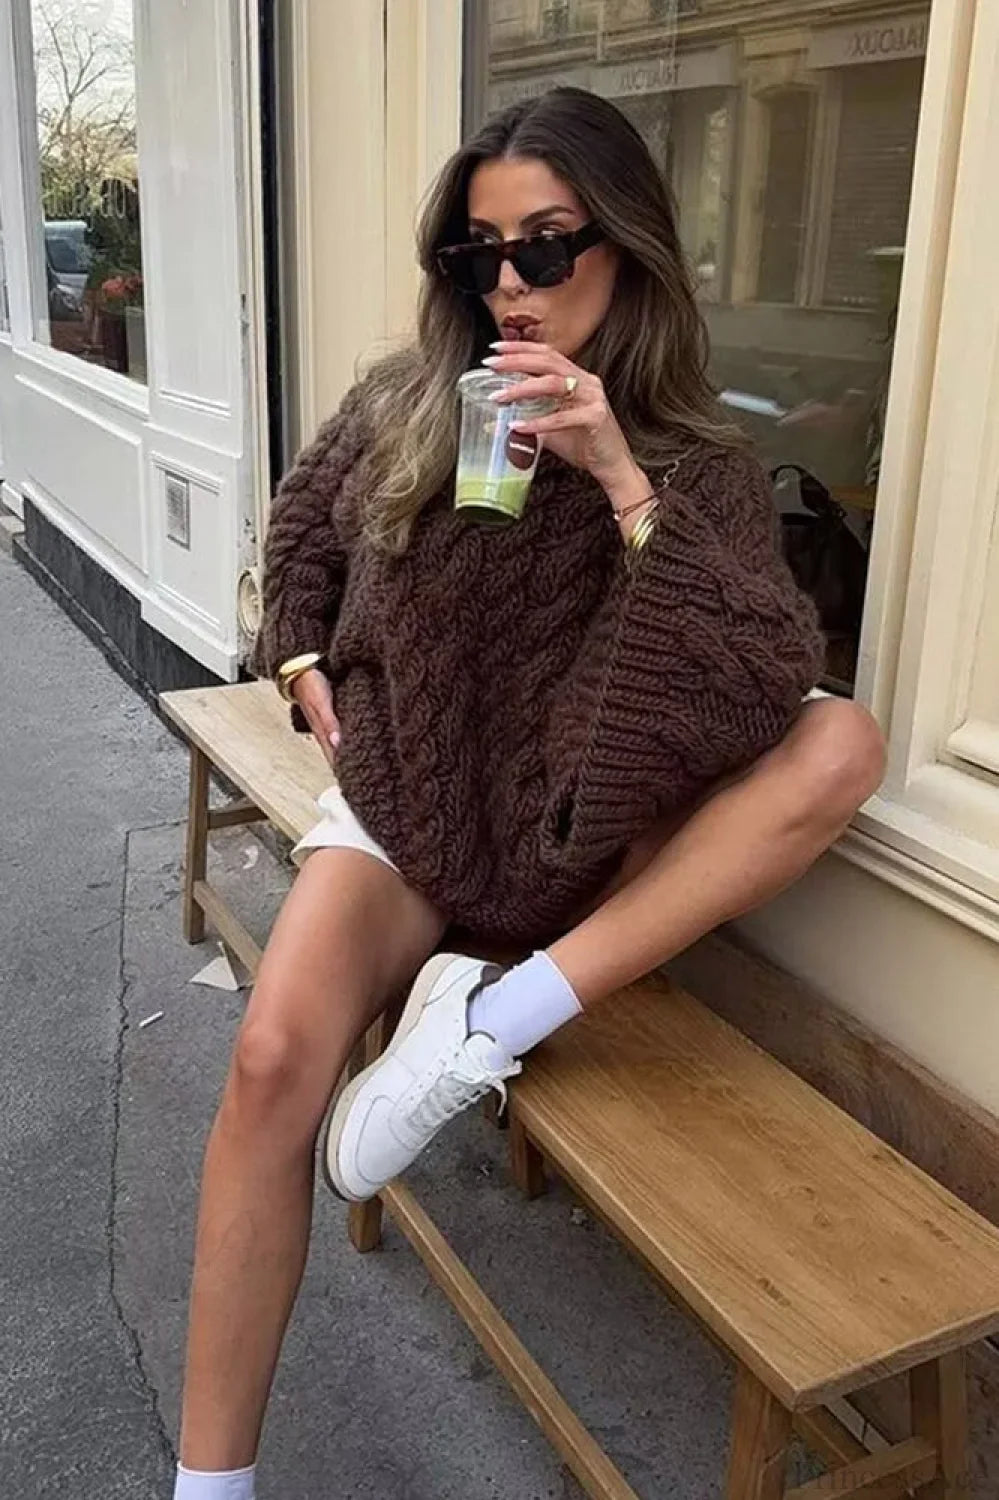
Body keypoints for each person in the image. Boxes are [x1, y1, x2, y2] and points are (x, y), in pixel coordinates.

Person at [173, 88, 885, 1500]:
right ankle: (211, 1485)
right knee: (266, 1066)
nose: (511, 283)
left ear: (625, 246)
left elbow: (761, 674)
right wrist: (303, 665)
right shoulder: (412, 397)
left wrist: (619, 475)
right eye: (479, 252)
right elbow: (301, 534)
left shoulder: (695, 461)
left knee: (842, 741)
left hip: (585, 844)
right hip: (412, 801)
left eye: (547, 246)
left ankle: (497, 1017)